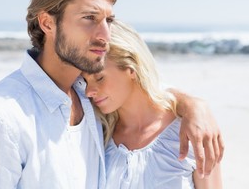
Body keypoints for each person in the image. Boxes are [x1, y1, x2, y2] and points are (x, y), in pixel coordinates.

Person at [0, 0, 223, 188]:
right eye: (89, 18)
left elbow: (138, 87)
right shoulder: (1, 121)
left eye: (108, 20)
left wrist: (194, 106)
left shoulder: (86, 95)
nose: (105, 35)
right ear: (48, 23)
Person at [82, 20, 223, 188]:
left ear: (131, 67)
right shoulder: (98, 135)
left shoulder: (191, 134)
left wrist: (195, 106)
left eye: (99, 77)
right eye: (84, 81)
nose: (89, 91)